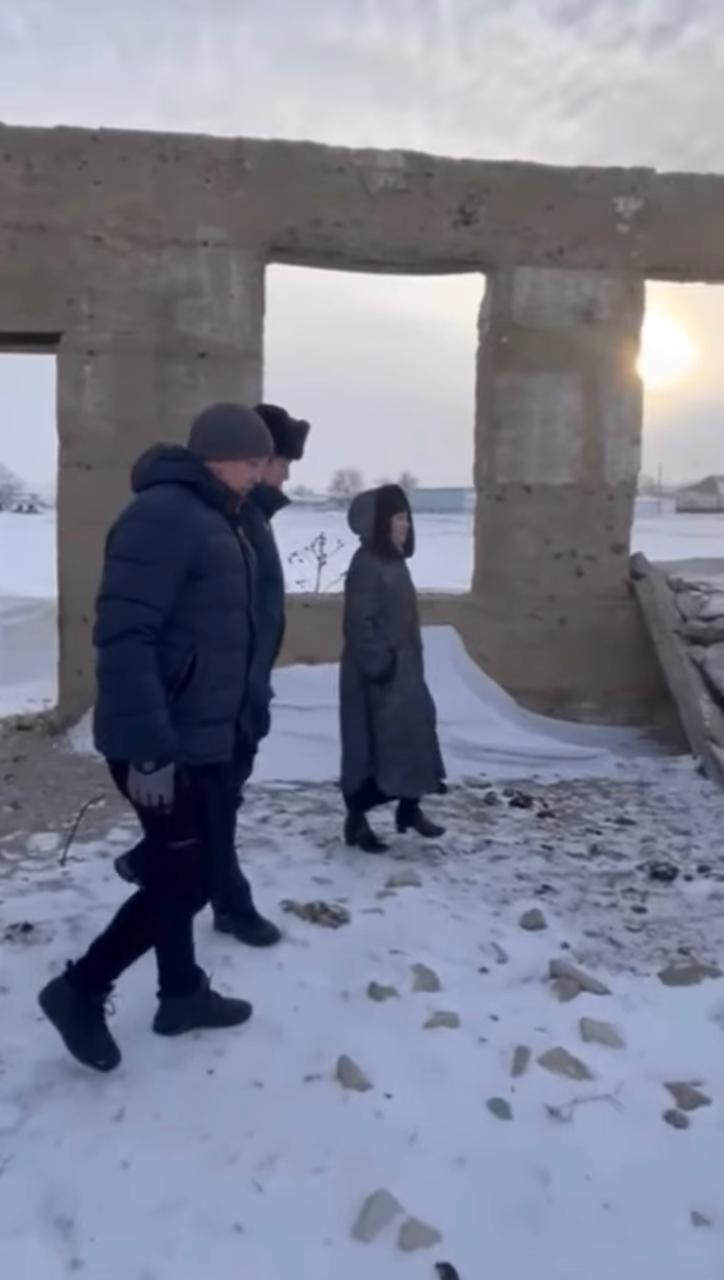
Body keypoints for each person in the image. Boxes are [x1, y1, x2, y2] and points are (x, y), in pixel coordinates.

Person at [38, 403, 274, 1072]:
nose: (260, 473)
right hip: (161, 741)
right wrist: (149, 750)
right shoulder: (165, 516)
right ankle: (80, 990)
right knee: (190, 877)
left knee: (181, 868)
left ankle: (181, 995)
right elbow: (125, 636)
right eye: (253, 461)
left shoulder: (215, 516)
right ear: (218, 457)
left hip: (198, 734)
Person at [211, 403, 310, 943]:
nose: (285, 476)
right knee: (214, 808)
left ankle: (170, 869)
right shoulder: (237, 521)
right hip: (228, 695)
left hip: (245, 691)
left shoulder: (253, 519)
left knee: (217, 805)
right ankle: (230, 903)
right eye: (282, 464)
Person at [340, 483, 446, 853]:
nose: (406, 525)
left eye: (406, 517)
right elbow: (359, 622)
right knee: (371, 749)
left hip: (403, 673)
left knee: (414, 735)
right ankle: (356, 821)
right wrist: (381, 665)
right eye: (399, 518)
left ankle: (409, 809)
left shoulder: (393, 561)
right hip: (375, 679)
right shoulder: (366, 563)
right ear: (381, 521)